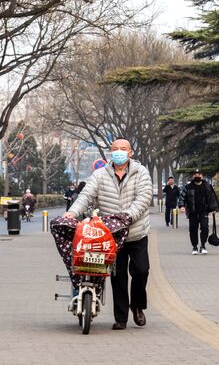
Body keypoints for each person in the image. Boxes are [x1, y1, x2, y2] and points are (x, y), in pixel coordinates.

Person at [64, 139, 153, 331]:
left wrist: (127, 217)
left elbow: (144, 198)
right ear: (110, 153)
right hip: (111, 235)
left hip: (136, 232)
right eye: (115, 149)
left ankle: (137, 305)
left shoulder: (141, 172)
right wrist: (72, 213)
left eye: (123, 149)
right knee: (117, 276)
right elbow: (86, 195)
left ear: (130, 153)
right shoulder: (100, 174)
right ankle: (120, 318)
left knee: (141, 271)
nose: (119, 152)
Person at [178, 169, 219, 255]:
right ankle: (194, 246)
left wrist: (214, 208)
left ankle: (203, 245)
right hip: (192, 212)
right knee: (193, 230)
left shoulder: (207, 186)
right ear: (193, 176)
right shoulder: (188, 187)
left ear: (202, 176)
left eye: (199, 174)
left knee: (205, 228)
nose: (197, 176)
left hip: (204, 212)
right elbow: (182, 197)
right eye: (195, 174)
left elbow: (212, 197)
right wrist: (181, 206)